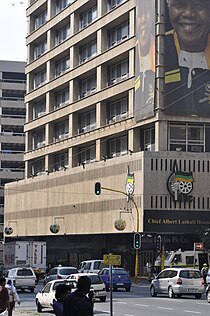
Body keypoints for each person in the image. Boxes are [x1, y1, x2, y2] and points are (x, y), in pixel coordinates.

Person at [164, 0, 210, 116]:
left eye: (199, 6)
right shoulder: (157, 48)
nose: (189, 13)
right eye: (179, 5)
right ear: (168, 8)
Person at [135, 0, 155, 120]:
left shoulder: (165, 52)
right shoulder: (134, 61)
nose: (143, 21)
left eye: (146, 12)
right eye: (139, 14)